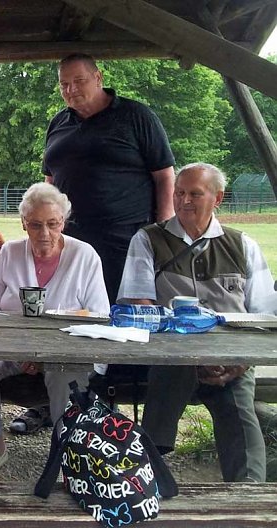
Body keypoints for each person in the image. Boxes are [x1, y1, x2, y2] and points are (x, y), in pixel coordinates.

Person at [118, 162, 276, 483]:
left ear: (217, 198)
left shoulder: (242, 245)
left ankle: (247, 497)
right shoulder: (149, 240)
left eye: (195, 194)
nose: (184, 200)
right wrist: (189, 354)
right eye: (179, 193)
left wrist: (241, 363)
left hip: (231, 357)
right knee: (166, 386)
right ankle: (145, 480)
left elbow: (265, 314)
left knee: (240, 417)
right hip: (172, 354)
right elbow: (139, 304)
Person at [0, 182, 109, 481]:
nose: (45, 233)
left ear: (63, 222)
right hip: (11, 348)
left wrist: (45, 356)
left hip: (65, 350)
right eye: (36, 225)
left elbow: (99, 318)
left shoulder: (85, 256)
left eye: (53, 224)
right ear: (24, 224)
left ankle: (67, 452)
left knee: (64, 373)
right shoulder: (10, 252)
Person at [43, 53, 175, 305]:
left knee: (123, 312)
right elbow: (49, 180)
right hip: (70, 238)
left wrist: (162, 229)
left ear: (98, 78)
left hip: (124, 239)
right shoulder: (58, 122)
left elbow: (164, 176)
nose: (70, 89)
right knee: (70, 309)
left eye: (79, 81)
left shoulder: (136, 115)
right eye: (64, 84)